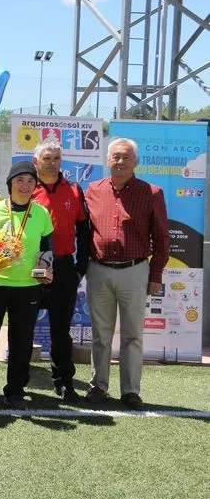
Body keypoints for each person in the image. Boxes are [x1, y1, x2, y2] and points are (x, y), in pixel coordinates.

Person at [84, 138, 169, 410]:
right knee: (101, 334)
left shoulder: (151, 192)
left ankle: (131, 390)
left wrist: (155, 275)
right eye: (116, 157)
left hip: (135, 271)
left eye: (126, 157)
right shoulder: (92, 190)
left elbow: (162, 238)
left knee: (133, 335)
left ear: (136, 162)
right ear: (108, 160)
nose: (120, 162)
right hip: (98, 270)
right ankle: (98, 385)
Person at [0, 161, 54, 411]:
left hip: (28, 286)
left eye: (30, 181)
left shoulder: (41, 213)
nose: (25, 186)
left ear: (35, 186)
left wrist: (47, 269)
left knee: (22, 342)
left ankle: (15, 392)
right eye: (20, 180)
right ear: (10, 184)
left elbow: (48, 248)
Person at [31, 137, 90, 402]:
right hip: (29, 268)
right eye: (47, 159)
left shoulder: (75, 190)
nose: (52, 164)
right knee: (22, 326)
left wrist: (81, 267)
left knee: (60, 329)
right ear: (36, 162)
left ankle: (64, 381)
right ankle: (17, 383)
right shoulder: (25, 188)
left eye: (56, 159)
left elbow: (84, 231)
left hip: (64, 266)